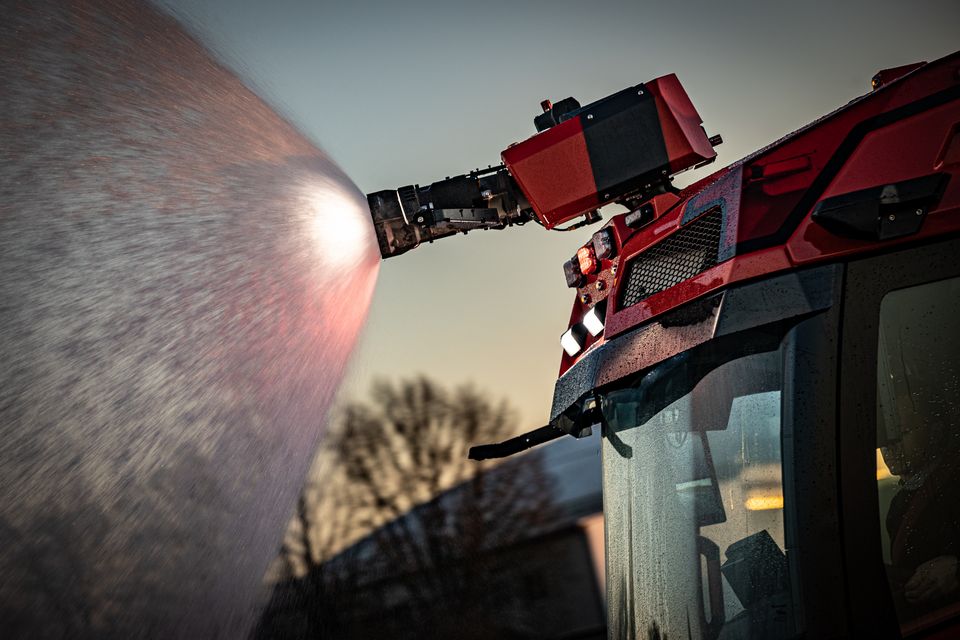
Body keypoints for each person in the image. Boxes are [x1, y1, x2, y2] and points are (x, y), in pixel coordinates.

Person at [881, 424, 960, 621]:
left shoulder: (955, 481)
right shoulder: (897, 505)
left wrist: (957, 570)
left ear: (934, 430)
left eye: (901, 432)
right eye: (884, 437)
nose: (889, 445)